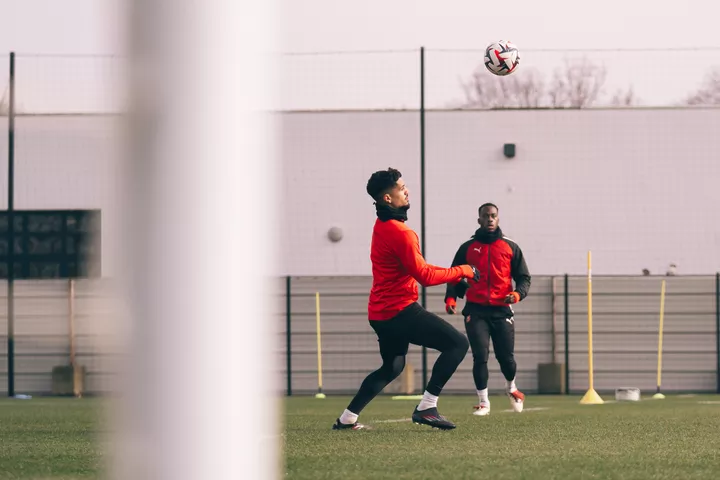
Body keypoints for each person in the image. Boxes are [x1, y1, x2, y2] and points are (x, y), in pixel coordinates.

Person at [332, 167, 479, 431]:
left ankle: (347, 419)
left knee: (392, 367)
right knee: (457, 344)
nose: (406, 190)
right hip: (398, 311)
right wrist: (463, 270)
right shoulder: (401, 233)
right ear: (387, 198)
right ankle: (427, 407)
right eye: (401, 188)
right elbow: (424, 275)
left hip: (380, 313)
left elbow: (418, 269)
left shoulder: (382, 226)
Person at [444, 203, 531, 416]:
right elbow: (454, 274)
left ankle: (512, 388)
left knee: (506, 359)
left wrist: (518, 294)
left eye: (493, 216)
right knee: (480, 355)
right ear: (479, 220)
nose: (490, 219)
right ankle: (484, 402)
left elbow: (524, 278)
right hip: (476, 310)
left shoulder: (511, 247)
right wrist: (451, 298)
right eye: (486, 216)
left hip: (502, 311)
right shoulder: (467, 247)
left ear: (498, 219)